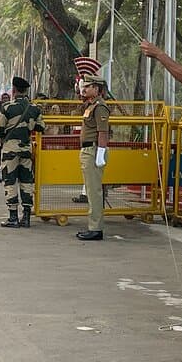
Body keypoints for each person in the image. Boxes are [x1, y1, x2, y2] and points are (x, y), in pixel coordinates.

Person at [0, 76, 45, 228]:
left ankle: (13, 217)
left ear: (14, 89)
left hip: (10, 150)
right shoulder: (34, 108)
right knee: (27, 181)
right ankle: (27, 216)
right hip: (26, 149)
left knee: (10, 181)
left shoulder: (7, 107)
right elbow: (41, 127)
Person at [76, 74, 109, 240]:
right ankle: (93, 225)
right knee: (90, 190)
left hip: (94, 150)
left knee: (94, 191)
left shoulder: (100, 107)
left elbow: (103, 132)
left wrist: (100, 153)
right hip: (87, 150)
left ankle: (96, 228)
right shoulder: (90, 105)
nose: (84, 89)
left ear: (96, 88)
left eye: (87, 86)